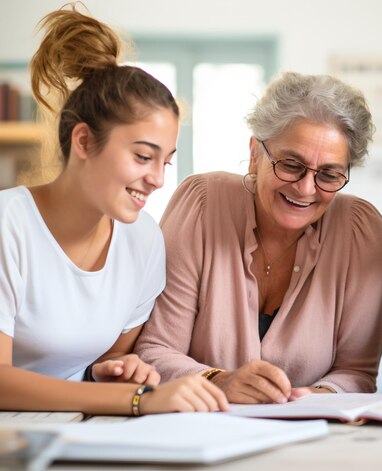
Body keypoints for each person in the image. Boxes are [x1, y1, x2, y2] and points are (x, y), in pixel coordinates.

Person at [0, 4, 228, 415]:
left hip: (72, 431)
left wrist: (114, 374)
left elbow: (93, 368)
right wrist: (134, 399)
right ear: (84, 141)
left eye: (167, 161)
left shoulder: (143, 240)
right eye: (143, 156)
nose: (158, 179)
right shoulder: (9, 226)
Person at [135, 72, 382, 403]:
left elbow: (357, 373)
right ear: (255, 152)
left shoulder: (362, 233)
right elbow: (155, 350)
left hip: (310, 436)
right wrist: (220, 381)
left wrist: (313, 397)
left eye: (329, 174)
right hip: (203, 428)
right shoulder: (201, 204)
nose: (305, 189)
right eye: (290, 164)